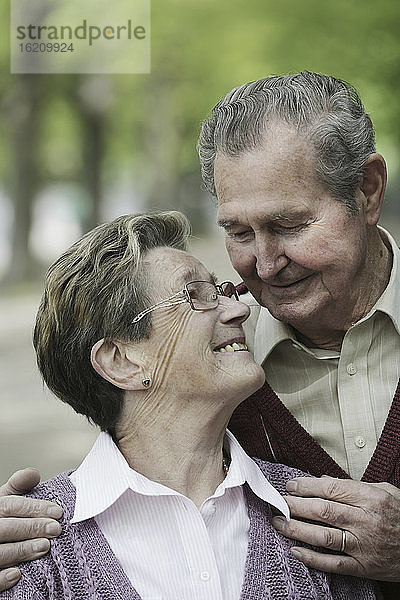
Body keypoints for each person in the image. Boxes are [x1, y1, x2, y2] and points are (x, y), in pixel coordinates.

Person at [0, 72, 398, 598]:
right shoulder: (219, 367)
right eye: (237, 232)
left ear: (367, 192)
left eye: (290, 225)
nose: (265, 263)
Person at [0, 210, 378, 599]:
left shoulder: (317, 521)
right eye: (195, 295)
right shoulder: (27, 553)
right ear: (122, 361)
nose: (239, 310)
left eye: (219, 291)